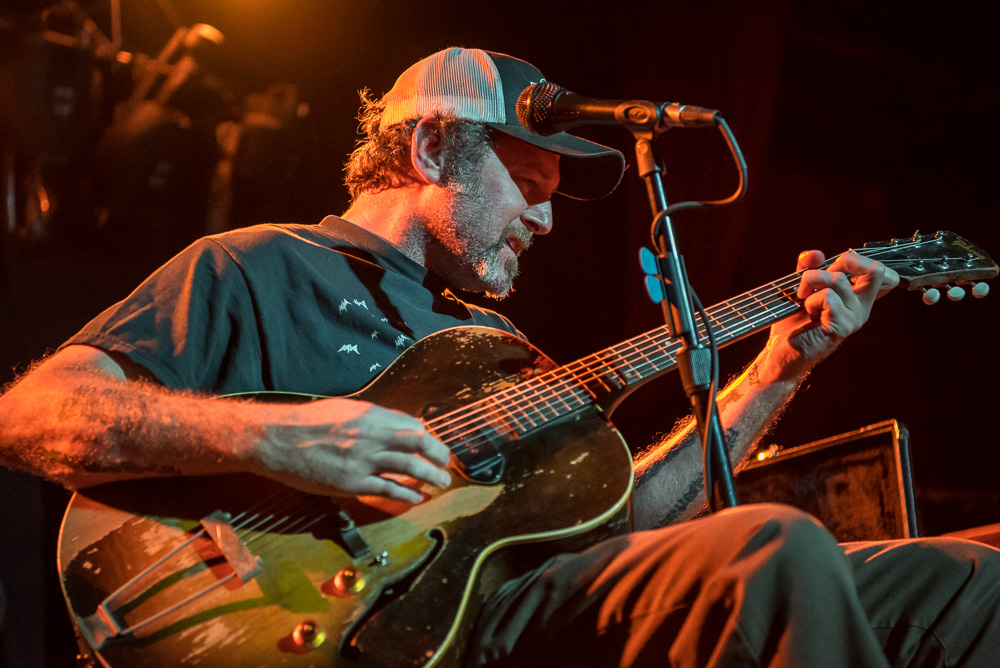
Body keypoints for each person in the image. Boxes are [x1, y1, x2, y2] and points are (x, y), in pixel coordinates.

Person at [0, 47, 997, 667]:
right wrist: (286, 440)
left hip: (522, 602)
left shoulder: (497, 348)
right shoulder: (260, 266)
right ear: (432, 149)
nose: (545, 218)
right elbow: (30, 415)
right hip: (362, 625)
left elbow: (623, 524)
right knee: (776, 548)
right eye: (527, 183)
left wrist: (785, 363)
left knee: (965, 578)